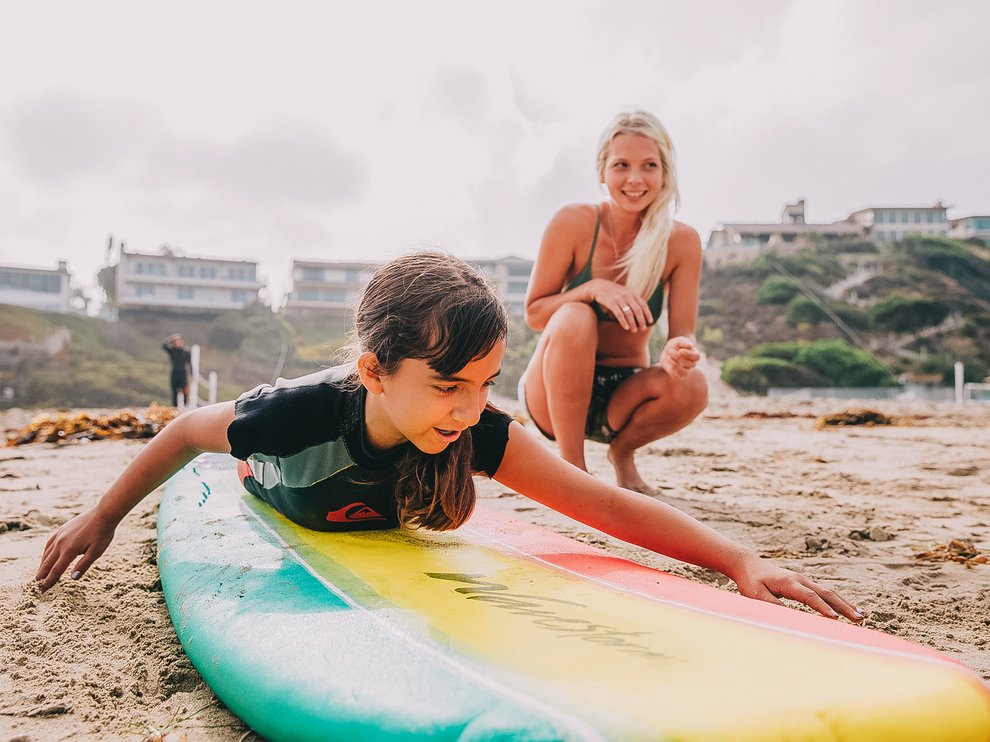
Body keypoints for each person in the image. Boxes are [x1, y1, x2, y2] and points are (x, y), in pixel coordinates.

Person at [35, 252, 862, 623]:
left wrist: (740, 560)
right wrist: (103, 519)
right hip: (271, 484)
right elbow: (184, 431)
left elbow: (597, 504)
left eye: (484, 384)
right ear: (374, 370)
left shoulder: (476, 432)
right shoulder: (291, 416)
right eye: (445, 386)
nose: (469, 409)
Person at [519, 111, 707, 494]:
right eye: (622, 165)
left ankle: (622, 455)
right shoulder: (573, 222)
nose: (635, 179)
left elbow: (681, 334)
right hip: (550, 398)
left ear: (665, 174)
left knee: (695, 385)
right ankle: (572, 469)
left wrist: (676, 352)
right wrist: (592, 289)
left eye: (649, 166)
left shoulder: (681, 241)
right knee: (573, 315)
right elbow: (535, 314)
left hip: (623, 397)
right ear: (602, 171)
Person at [162, 333, 192, 407]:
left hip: (183, 375)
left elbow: (190, 365)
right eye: (177, 341)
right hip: (174, 374)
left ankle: (185, 408)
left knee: (185, 393)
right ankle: (174, 409)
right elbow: (163, 345)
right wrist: (172, 338)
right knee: (174, 394)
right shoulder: (172, 351)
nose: (178, 343)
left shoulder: (186, 353)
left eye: (179, 341)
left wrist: (191, 375)